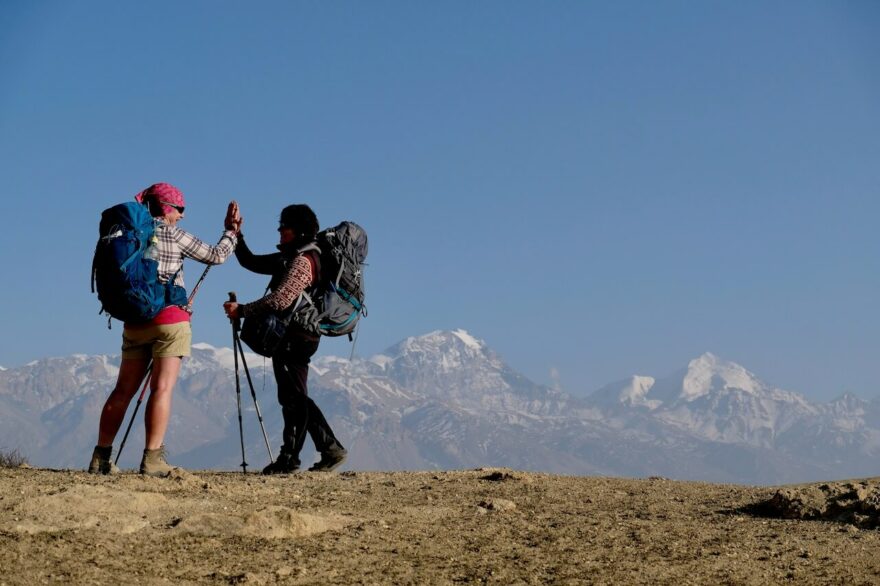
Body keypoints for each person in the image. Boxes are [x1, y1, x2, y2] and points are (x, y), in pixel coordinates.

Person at [89, 182, 241, 476]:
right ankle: (153, 458)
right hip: (170, 320)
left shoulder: (129, 233)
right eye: (180, 209)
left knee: (122, 391)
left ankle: (101, 457)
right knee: (162, 388)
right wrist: (231, 233)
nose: (182, 216)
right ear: (168, 208)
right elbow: (216, 255)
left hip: (134, 321)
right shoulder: (173, 233)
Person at [223, 203, 347, 473]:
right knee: (294, 396)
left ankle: (290, 458)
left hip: (296, 337)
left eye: (285, 227)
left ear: (299, 230)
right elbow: (251, 261)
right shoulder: (292, 257)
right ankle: (330, 449)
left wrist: (242, 311)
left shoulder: (303, 261)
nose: (280, 231)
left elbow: (281, 300)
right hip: (299, 336)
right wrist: (235, 234)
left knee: (293, 398)